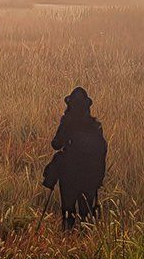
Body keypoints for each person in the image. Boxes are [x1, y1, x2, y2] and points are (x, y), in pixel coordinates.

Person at [42, 86, 107, 229]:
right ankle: (85, 244)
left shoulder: (67, 122)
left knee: (68, 212)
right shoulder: (95, 126)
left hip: (69, 173)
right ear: (87, 107)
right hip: (90, 174)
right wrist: (99, 177)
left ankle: (67, 241)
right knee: (87, 214)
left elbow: (56, 144)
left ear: (70, 105)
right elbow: (102, 153)